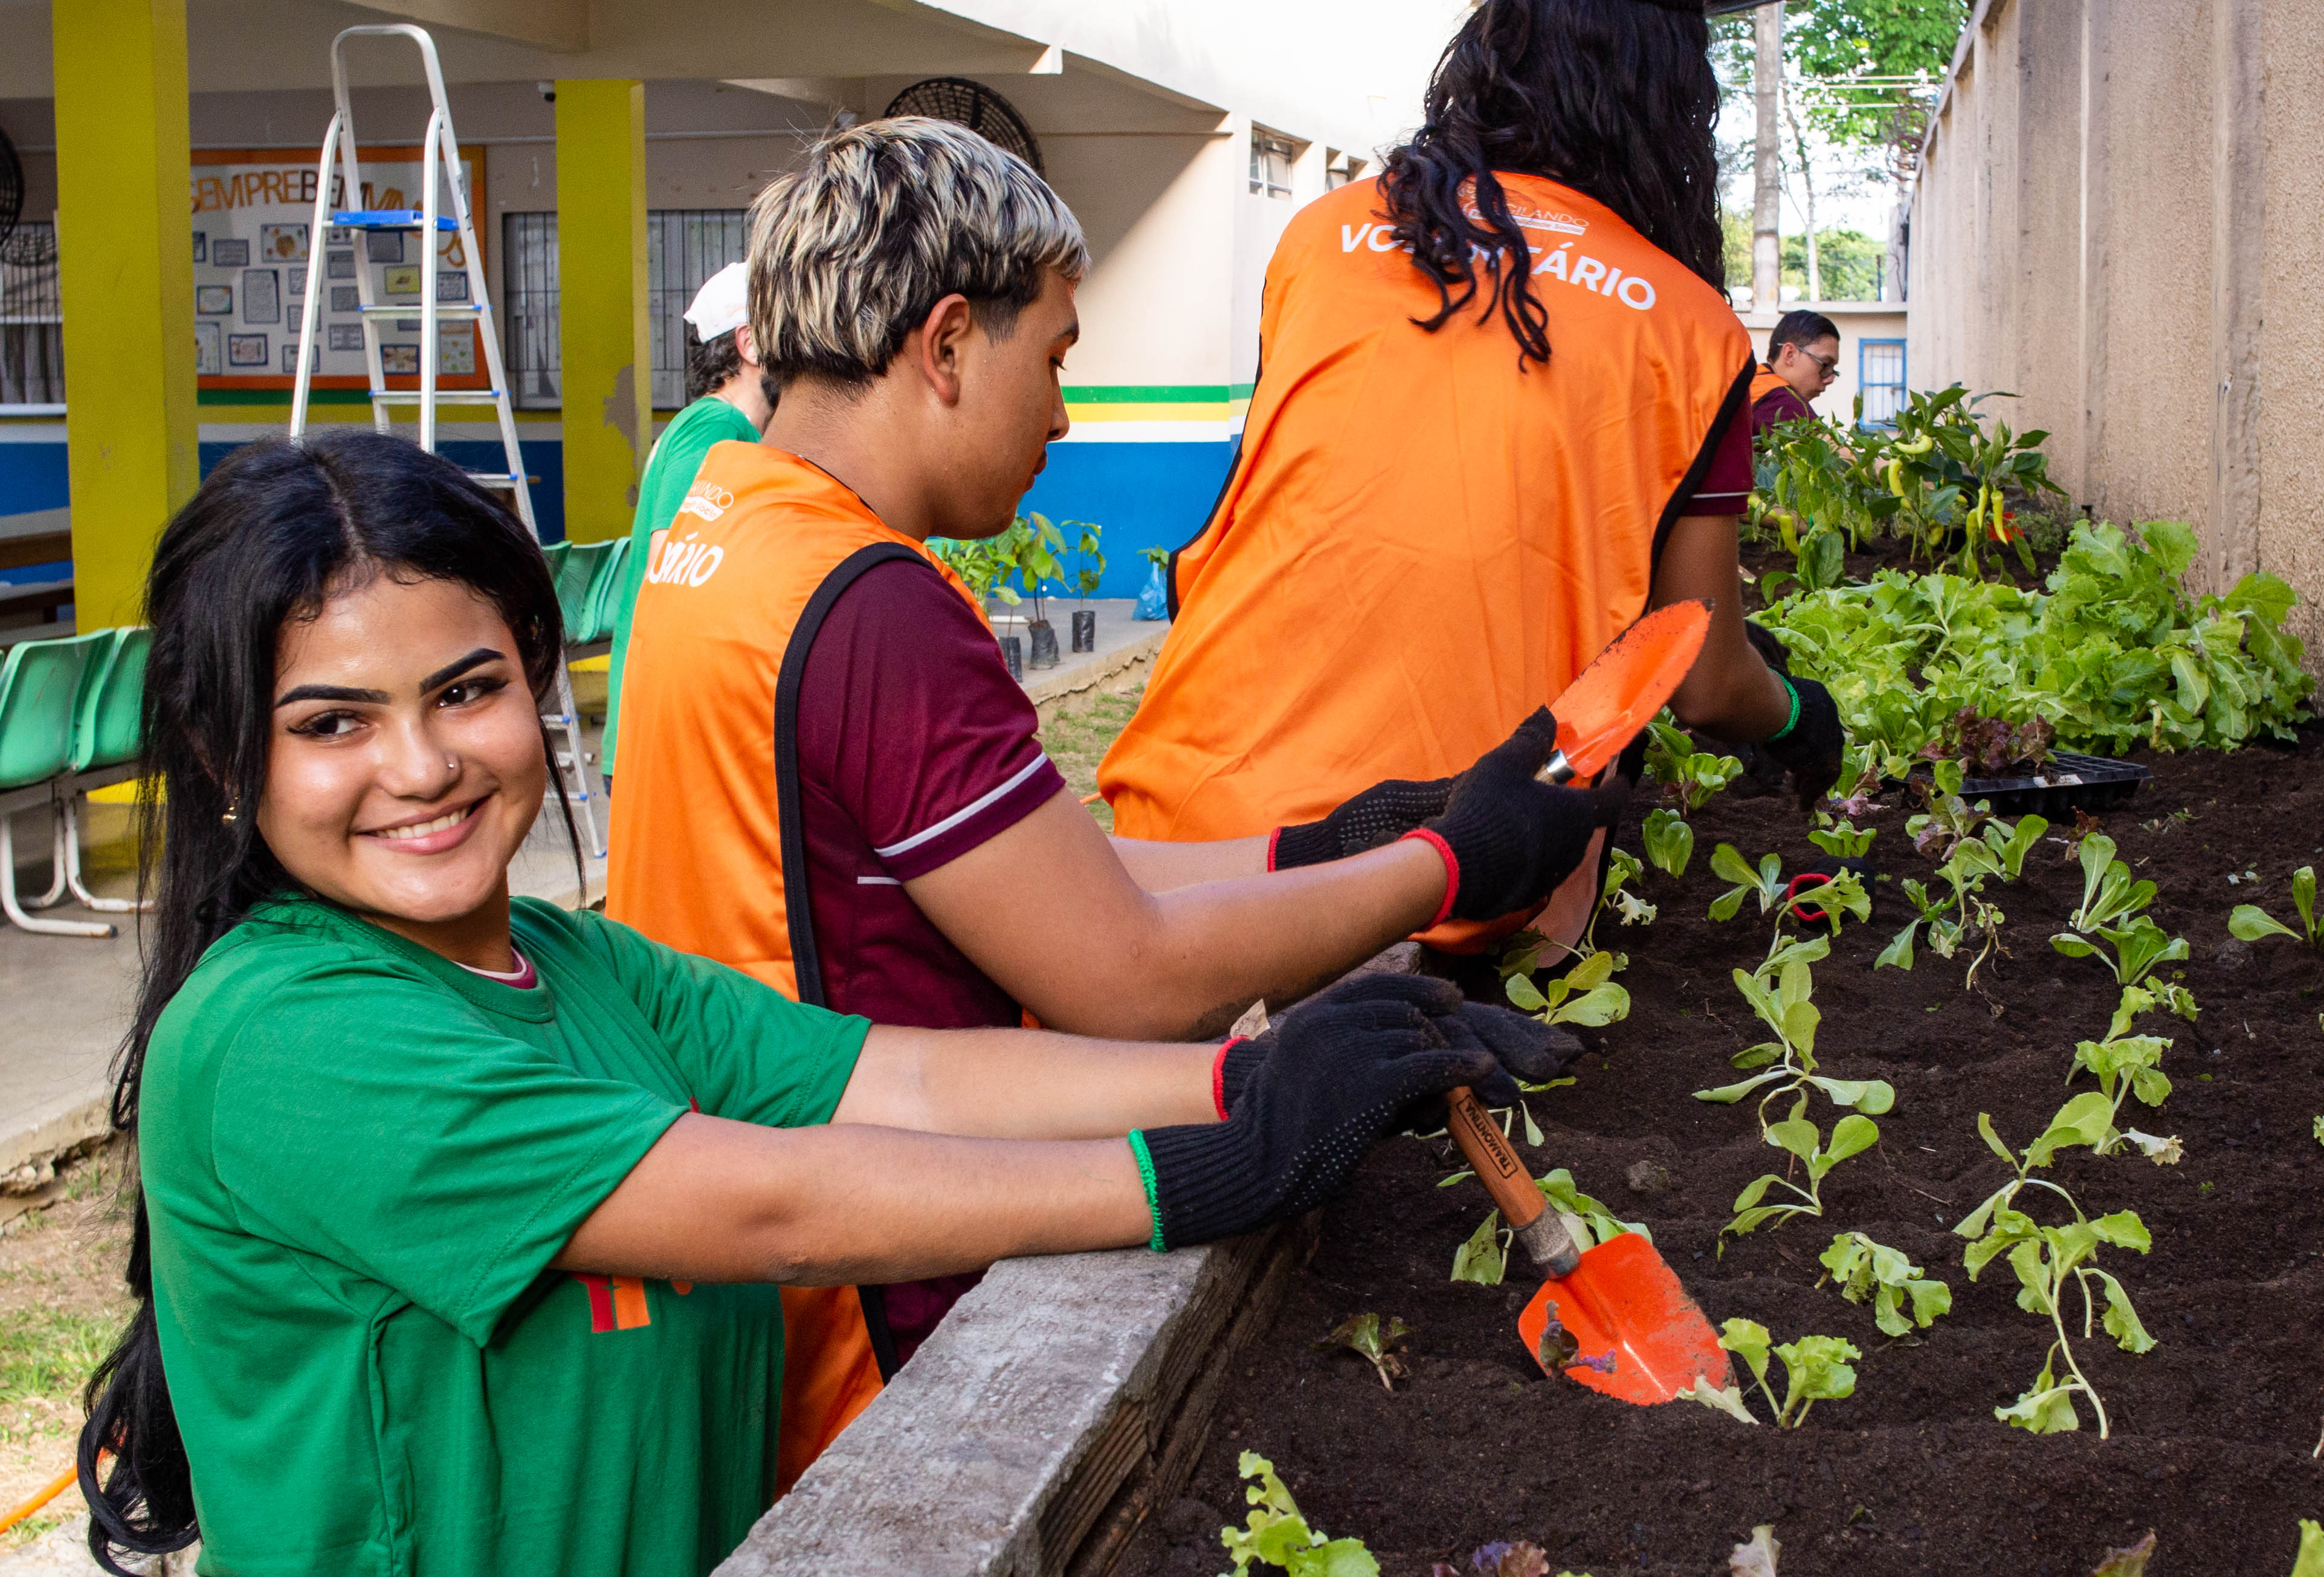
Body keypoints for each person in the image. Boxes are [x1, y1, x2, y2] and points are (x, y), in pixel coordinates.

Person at [76, 430, 1579, 1577]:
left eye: (466, 690)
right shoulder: (287, 1033)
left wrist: (1251, 1081)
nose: (421, 764)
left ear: (538, 683)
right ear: (222, 759)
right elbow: (774, 1203)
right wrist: (1220, 1163)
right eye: (333, 721)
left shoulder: (572, 960)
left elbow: (900, 1080)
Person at [606, 115, 1616, 1455]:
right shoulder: (872, 610)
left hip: (741, 1264)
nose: (1068, 412)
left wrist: (1329, 843)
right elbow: (1122, 971)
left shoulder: (722, 523)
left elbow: (1038, 877)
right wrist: (1454, 863)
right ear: (950, 342)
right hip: (875, 1311)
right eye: (1059, 356)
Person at [1097, 0, 1845, 942]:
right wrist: (1802, 717)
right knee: (1598, 752)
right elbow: (1706, 686)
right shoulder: (1688, 328)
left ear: (1488, 57)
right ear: (1667, 101)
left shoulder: (1322, 236)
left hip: (1172, 842)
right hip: (1441, 879)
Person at [603, 262, 770, 775]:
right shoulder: (713, 426)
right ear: (750, 344)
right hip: (665, 742)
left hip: (658, 735)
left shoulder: (715, 428)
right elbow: (672, 567)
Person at [1751, 308, 1838, 429]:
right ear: (1790, 355)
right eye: (1825, 365)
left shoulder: (1750, 380)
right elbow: (1836, 448)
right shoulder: (1782, 403)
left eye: (1833, 370)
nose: (1829, 379)